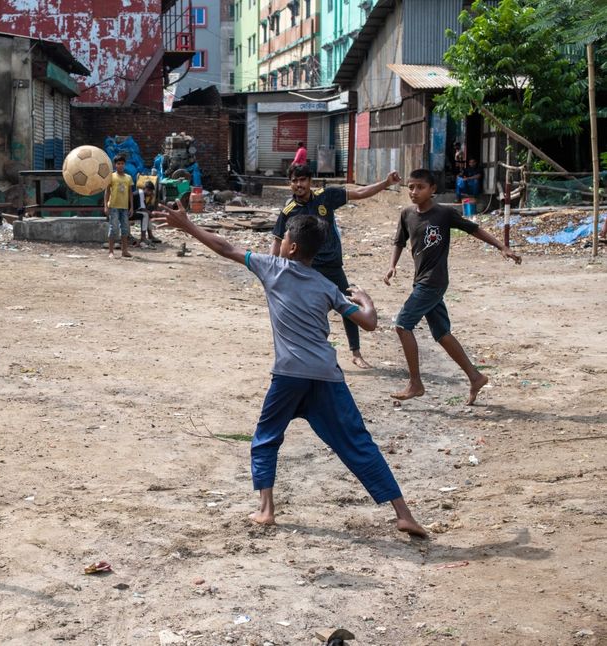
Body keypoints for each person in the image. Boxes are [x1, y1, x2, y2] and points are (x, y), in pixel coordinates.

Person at [153, 200, 428, 538]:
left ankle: (266, 509)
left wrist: (188, 226)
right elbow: (369, 323)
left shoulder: (272, 268)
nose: (278, 243)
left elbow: (226, 248)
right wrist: (367, 299)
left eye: (282, 239)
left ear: (292, 247)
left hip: (288, 375)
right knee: (358, 442)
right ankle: (404, 513)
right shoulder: (327, 287)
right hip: (326, 375)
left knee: (266, 439)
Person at [384, 169, 521, 405]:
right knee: (442, 333)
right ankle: (475, 376)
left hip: (434, 281)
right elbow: (399, 241)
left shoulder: (443, 214)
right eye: (411, 187)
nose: (414, 192)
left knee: (402, 325)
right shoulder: (407, 214)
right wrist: (392, 265)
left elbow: (474, 229)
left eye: (420, 187)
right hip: (421, 280)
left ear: (432, 190)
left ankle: (415, 383)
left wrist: (502, 247)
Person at [271, 163, 401, 369]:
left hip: (331, 265)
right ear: (290, 184)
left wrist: (386, 183)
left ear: (310, 181)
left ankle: (356, 353)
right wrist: (275, 269)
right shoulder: (289, 211)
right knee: (305, 311)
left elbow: (359, 192)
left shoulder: (326, 196)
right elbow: (278, 241)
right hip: (304, 268)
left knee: (347, 305)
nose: (299, 184)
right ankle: (304, 353)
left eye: (302, 180)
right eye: (294, 181)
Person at [103, 155, 134, 258]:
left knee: (125, 229)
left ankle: (124, 251)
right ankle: (111, 252)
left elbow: (130, 193)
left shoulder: (128, 178)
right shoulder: (111, 176)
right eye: (118, 163)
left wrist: (131, 207)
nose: (120, 165)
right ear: (115, 165)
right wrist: (106, 206)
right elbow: (107, 192)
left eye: (122, 163)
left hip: (124, 207)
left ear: (125, 165)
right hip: (113, 206)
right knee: (113, 228)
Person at [132, 181, 162, 247]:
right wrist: (151, 214)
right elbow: (143, 209)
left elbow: (144, 207)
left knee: (146, 214)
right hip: (128, 212)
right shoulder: (141, 193)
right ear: (146, 189)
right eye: (150, 191)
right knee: (145, 214)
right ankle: (143, 237)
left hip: (133, 211)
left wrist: (151, 199)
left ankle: (150, 235)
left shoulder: (143, 194)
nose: (151, 193)